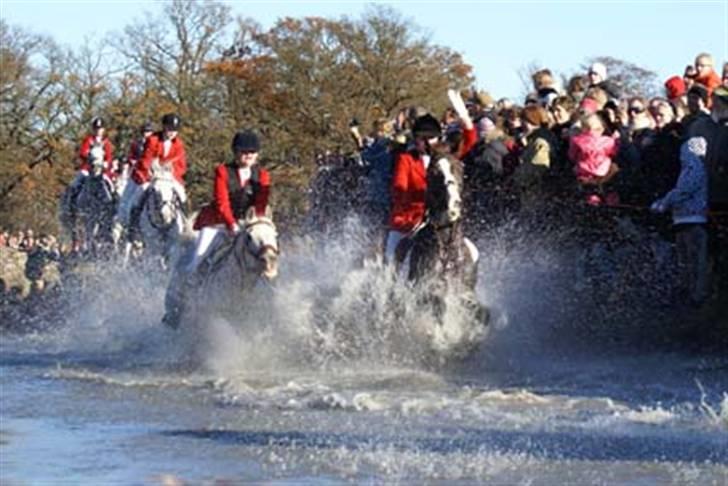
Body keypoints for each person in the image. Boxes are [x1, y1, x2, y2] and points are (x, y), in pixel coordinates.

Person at [190, 130, 271, 272]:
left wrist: (253, 224)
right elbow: (222, 203)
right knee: (197, 259)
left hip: (247, 224)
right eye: (244, 151)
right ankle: (187, 287)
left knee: (266, 251)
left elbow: (260, 205)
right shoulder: (222, 171)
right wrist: (232, 224)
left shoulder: (263, 175)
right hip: (218, 224)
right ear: (236, 152)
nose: (248, 155)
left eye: (252, 151)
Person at [651, 137, 709, 307]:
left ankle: (695, 295)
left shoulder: (694, 168)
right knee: (685, 260)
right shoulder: (688, 169)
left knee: (694, 260)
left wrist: (664, 202)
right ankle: (686, 291)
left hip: (693, 219)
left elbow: (683, 191)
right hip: (682, 220)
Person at [119, 113, 187, 243]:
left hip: (169, 177)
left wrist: (172, 171)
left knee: (182, 195)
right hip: (150, 175)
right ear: (164, 127)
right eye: (169, 129)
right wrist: (153, 170)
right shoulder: (153, 139)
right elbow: (146, 160)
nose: (172, 133)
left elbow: (181, 166)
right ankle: (133, 230)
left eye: (175, 130)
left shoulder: (179, 144)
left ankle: (185, 225)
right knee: (138, 197)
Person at [65, 117, 114, 237]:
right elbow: (82, 152)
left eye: (100, 128)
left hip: (102, 171)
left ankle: (112, 208)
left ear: (104, 130)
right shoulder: (89, 140)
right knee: (75, 184)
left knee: (112, 187)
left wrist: (106, 163)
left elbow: (109, 156)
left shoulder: (106, 143)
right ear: (93, 129)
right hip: (87, 169)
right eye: (96, 128)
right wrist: (89, 157)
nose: (98, 131)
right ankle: (70, 207)